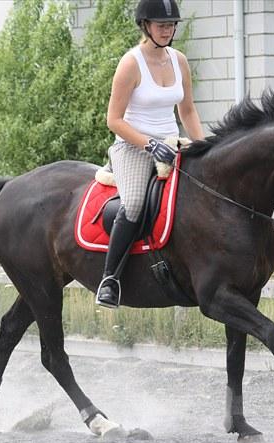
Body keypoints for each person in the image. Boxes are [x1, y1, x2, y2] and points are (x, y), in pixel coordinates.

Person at [95, 0, 205, 308]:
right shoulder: (131, 63)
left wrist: (204, 144)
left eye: (171, 25)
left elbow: (188, 109)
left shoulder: (179, 60)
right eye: (161, 25)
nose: (167, 30)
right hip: (133, 146)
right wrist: (147, 143)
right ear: (146, 26)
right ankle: (110, 279)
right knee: (133, 203)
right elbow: (113, 119)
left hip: (171, 142)